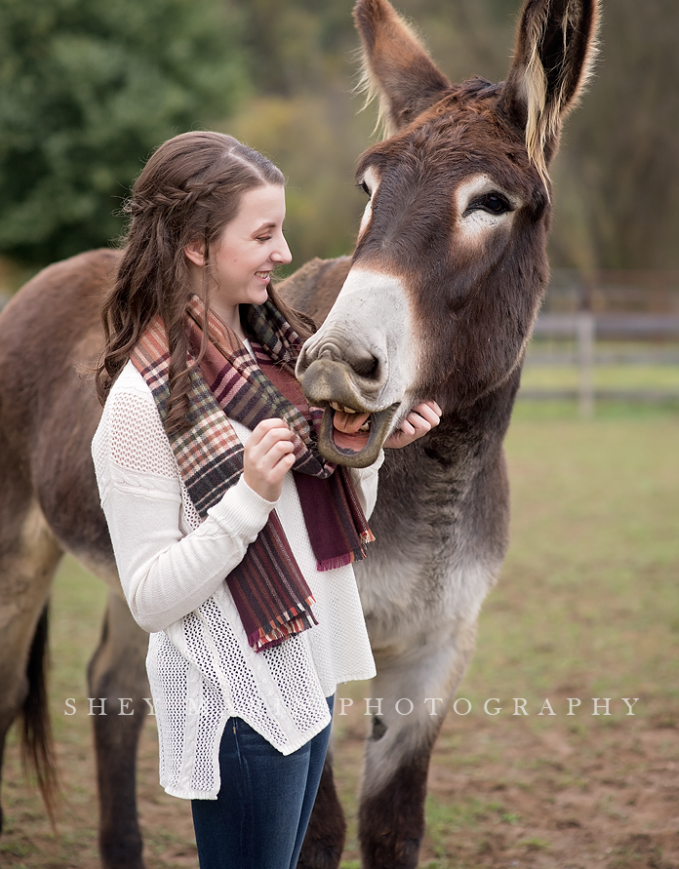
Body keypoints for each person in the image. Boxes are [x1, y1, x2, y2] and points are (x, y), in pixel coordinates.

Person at [92, 130, 441, 869]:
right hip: (237, 705)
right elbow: (151, 599)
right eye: (263, 234)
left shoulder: (280, 358)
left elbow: (329, 530)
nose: (284, 252)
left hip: (308, 678)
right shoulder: (139, 402)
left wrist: (366, 448)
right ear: (195, 244)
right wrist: (248, 497)